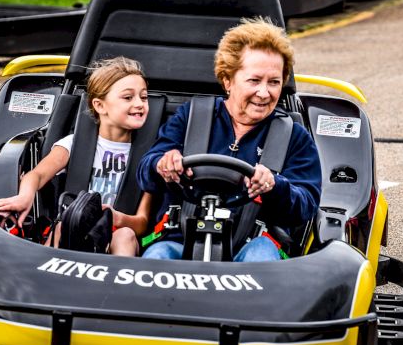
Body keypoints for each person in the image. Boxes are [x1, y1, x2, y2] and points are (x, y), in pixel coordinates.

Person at [137, 17, 322, 261]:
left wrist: (275, 186)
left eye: (274, 82)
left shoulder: (294, 136)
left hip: (255, 244)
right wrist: (161, 164)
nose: (264, 93)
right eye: (254, 80)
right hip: (182, 238)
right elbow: (145, 174)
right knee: (156, 258)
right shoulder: (191, 117)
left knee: (261, 260)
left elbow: (307, 206)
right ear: (228, 80)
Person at [0, 56, 152, 256]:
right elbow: (37, 175)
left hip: (117, 235)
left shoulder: (149, 156)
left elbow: (143, 223)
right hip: (73, 230)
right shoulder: (74, 144)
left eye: (143, 97)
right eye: (128, 97)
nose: (139, 104)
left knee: (125, 235)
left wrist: (115, 217)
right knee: (62, 225)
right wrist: (25, 197)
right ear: (100, 106)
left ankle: (115, 287)